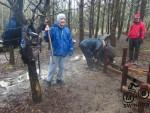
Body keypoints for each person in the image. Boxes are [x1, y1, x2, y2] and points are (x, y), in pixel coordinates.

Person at [44, 13, 73, 85]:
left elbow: (70, 40)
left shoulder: (67, 29)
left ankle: (59, 79)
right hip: (55, 52)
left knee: (62, 67)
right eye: (61, 19)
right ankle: (48, 80)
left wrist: (71, 48)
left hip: (63, 53)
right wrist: (46, 32)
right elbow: (47, 39)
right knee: (53, 67)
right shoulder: (53, 29)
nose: (63, 20)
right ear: (58, 20)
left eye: (64, 19)